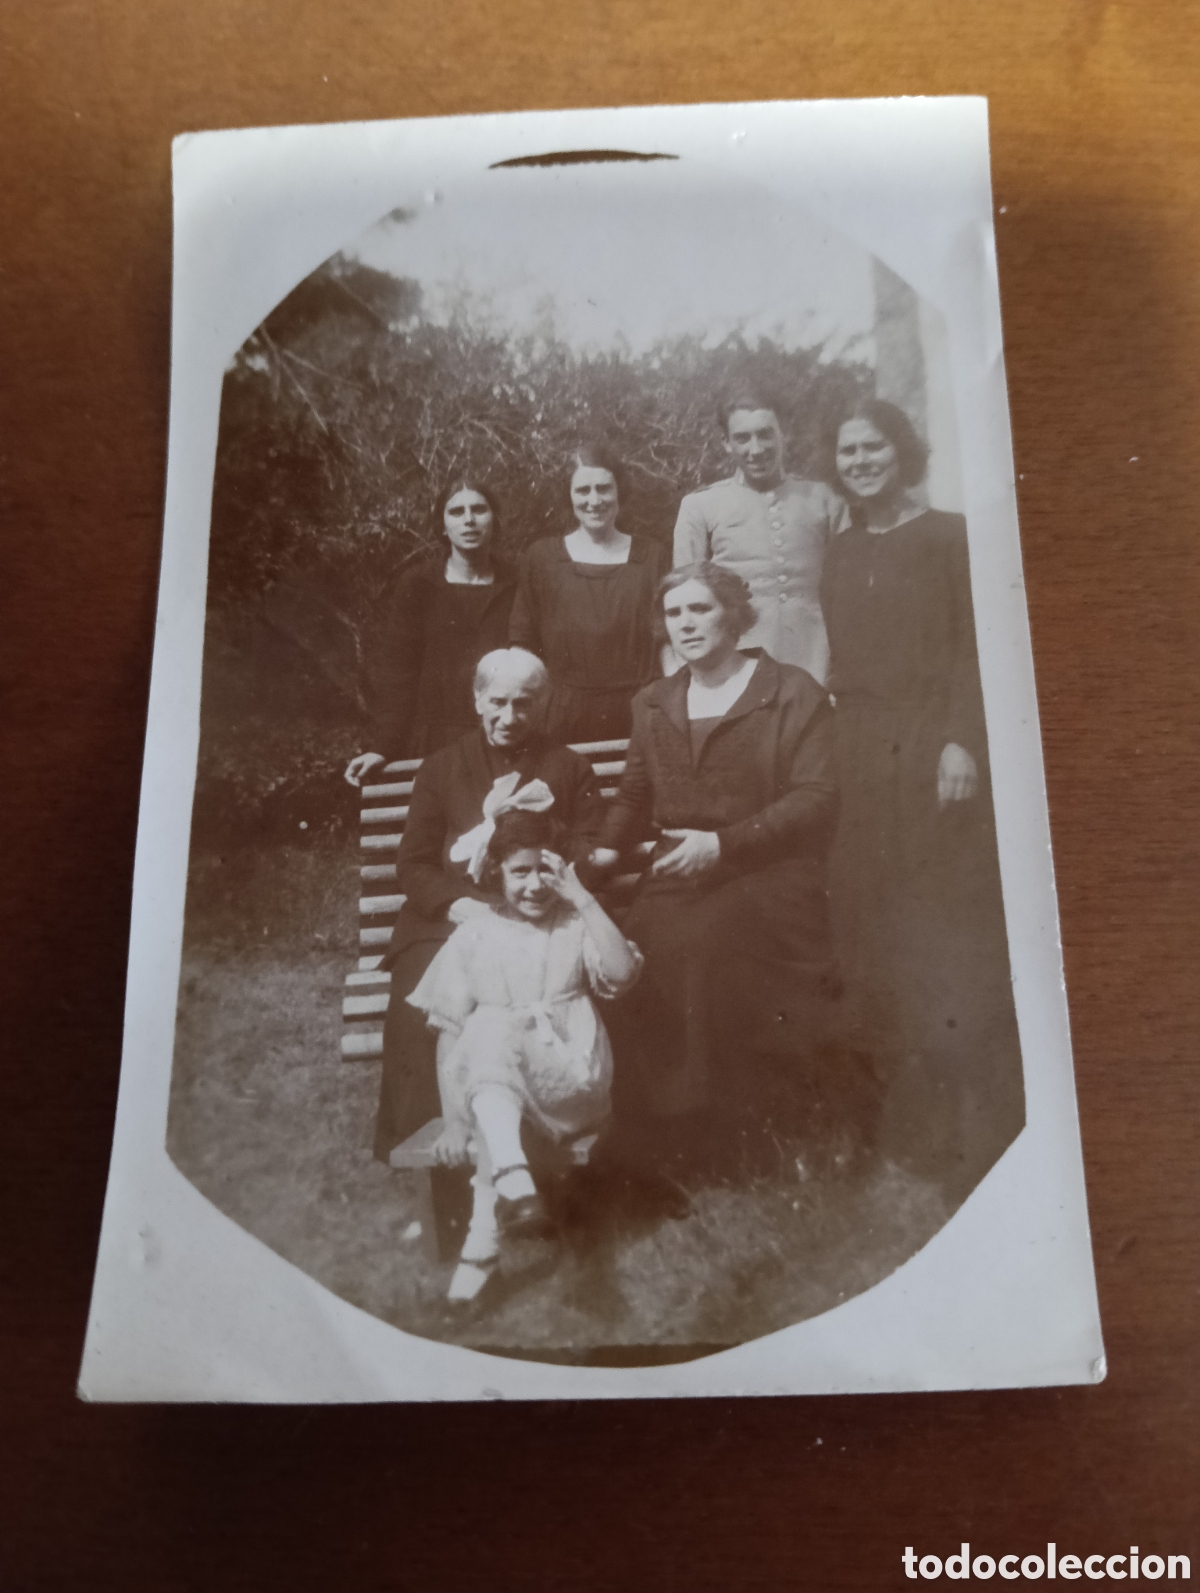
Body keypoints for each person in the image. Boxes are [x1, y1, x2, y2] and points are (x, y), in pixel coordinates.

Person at [820, 397, 1024, 1195]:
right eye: (847, 450)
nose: (860, 461)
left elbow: (977, 648)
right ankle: (895, 1111)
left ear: (903, 452)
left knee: (943, 918)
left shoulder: (949, 535)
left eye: (873, 447)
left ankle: (973, 1112)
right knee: (866, 914)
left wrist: (960, 740)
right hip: (862, 747)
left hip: (933, 743)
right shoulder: (839, 549)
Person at [590, 562, 840, 1171]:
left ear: (733, 613)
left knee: (701, 945)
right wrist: (595, 863)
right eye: (674, 613)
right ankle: (666, 1136)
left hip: (770, 875)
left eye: (700, 609)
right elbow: (633, 794)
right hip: (678, 875)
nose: (686, 624)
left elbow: (816, 796)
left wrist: (724, 846)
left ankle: (733, 1134)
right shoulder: (653, 701)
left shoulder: (789, 691)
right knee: (635, 952)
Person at [372, 648, 607, 1167]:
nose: (509, 717)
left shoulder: (568, 768)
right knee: (423, 990)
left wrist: (545, 894)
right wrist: (459, 907)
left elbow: (589, 849)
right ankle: (435, 1147)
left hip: (538, 912)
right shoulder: (440, 768)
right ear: (477, 699)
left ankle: (539, 1128)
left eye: (524, 704)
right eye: (497, 701)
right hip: (457, 915)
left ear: (541, 704)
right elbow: (413, 864)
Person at [409, 809, 643, 1301]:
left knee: (493, 1029)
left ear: (561, 872)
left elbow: (621, 974)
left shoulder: (575, 924)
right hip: (500, 1094)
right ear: (496, 873)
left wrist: (582, 897)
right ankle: (491, 1231)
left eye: (546, 870)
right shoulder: (474, 934)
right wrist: (454, 1121)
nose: (535, 885)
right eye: (520, 871)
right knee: (488, 1026)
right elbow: (449, 1033)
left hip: (570, 1077)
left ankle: (492, 1226)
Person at [672, 379, 848, 685]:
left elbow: (849, 594)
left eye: (765, 434)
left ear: (784, 433)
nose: (756, 449)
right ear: (726, 442)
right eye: (742, 438)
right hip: (736, 668)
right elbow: (686, 603)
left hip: (817, 664)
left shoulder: (824, 500)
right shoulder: (699, 506)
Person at [344, 478, 516, 785]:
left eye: (479, 509)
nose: (469, 520)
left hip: (504, 737)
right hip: (433, 743)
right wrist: (385, 746)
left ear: (495, 519)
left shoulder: (517, 583)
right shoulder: (418, 585)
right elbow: (399, 676)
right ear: (442, 525)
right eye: (457, 511)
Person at [509, 443, 668, 743]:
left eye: (604, 488)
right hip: (561, 717)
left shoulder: (652, 557)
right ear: (568, 496)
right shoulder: (542, 558)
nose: (594, 500)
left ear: (619, 491)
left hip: (642, 712)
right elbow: (522, 644)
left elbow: (668, 643)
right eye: (583, 490)